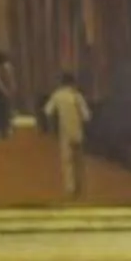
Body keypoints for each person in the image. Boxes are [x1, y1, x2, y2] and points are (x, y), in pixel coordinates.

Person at [40, 69, 92, 199]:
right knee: (78, 160)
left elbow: (47, 111)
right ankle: (80, 186)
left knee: (67, 161)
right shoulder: (77, 96)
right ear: (72, 83)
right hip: (77, 130)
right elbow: (86, 116)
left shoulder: (57, 95)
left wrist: (51, 128)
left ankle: (70, 188)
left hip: (64, 131)